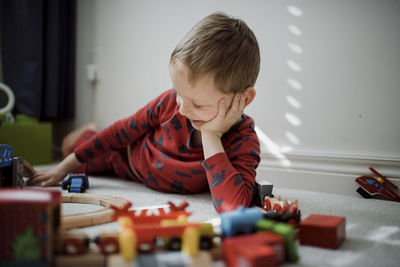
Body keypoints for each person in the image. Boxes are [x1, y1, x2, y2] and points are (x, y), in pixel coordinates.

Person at [28, 12, 261, 213]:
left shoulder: (243, 141)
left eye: (198, 105)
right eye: (179, 93)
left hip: (146, 171)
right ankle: (87, 132)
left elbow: (233, 208)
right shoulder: (169, 104)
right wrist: (64, 165)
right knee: (74, 152)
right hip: (123, 158)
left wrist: (212, 135)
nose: (182, 108)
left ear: (244, 98)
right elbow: (121, 131)